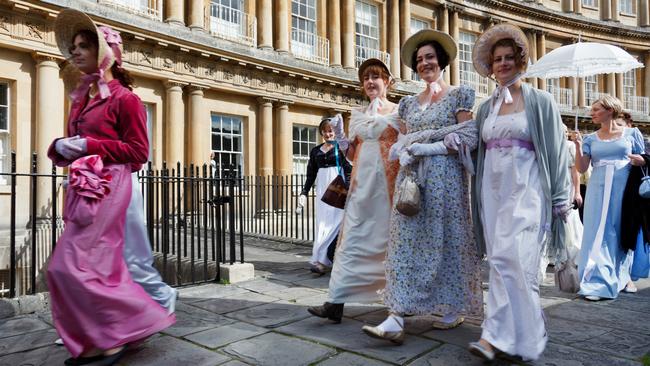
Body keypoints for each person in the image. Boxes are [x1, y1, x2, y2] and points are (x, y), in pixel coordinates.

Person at [47, 9, 175, 365]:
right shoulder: (82, 98)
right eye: (72, 46)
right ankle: (117, 332)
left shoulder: (127, 99)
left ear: (103, 53)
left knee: (68, 266)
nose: (74, 52)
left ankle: (112, 338)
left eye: (82, 45)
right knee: (99, 267)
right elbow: (79, 144)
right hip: (83, 188)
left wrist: (89, 146)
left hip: (111, 185)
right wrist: (60, 147)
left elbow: (137, 153)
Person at [362, 29, 482, 344]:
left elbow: (469, 136)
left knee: (445, 241)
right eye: (419, 60)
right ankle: (396, 315)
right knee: (404, 244)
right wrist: (402, 149)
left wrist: (429, 146)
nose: (424, 63)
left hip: (446, 180)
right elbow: (401, 139)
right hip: (412, 180)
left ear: (441, 60)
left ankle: (452, 305)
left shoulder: (460, 95)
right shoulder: (408, 104)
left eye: (429, 57)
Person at [467, 24, 571, 362]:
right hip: (492, 191)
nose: (503, 63)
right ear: (490, 65)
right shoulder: (487, 106)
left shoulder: (540, 101)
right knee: (499, 261)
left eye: (509, 57)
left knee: (517, 261)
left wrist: (560, 197)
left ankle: (518, 335)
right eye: (497, 59)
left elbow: (555, 150)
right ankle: (500, 336)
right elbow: (479, 150)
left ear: (520, 61)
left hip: (528, 189)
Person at [307, 58, 401, 323]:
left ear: (388, 82)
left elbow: (405, 144)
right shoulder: (357, 114)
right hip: (361, 187)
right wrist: (342, 139)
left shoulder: (399, 110)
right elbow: (351, 155)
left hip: (387, 187)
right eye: (366, 78)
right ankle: (335, 302)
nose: (371, 82)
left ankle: (395, 305)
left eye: (376, 77)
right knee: (350, 243)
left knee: (387, 244)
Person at [574, 95, 646, 300]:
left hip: (624, 189)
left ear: (610, 110)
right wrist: (579, 146)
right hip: (597, 188)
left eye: (597, 109)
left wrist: (641, 161)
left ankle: (621, 276)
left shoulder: (632, 133)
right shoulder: (590, 138)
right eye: (592, 110)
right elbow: (581, 168)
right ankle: (596, 283)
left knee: (619, 231)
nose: (592, 113)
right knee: (597, 232)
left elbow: (643, 161)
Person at [296, 116, 352, 274]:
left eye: (331, 130)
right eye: (325, 131)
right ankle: (320, 259)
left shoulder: (341, 149)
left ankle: (325, 260)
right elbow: (310, 174)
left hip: (338, 189)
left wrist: (348, 190)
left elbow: (348, 170)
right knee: (323, 223)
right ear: (321, 133)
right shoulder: (315, 151)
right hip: (322, 190)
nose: (328, 134)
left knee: (336, 224)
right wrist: (304, 192)